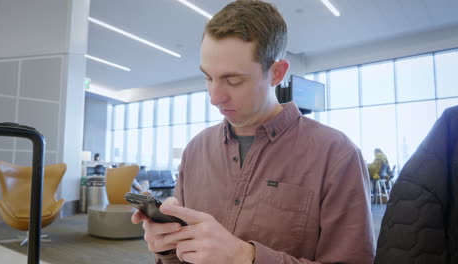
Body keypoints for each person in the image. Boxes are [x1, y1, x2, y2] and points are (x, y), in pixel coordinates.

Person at [132, 1, 375, 263]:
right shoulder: (196, 150)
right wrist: (168, 248)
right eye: (208, 77)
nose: (214, 97)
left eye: (233, 80)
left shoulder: (336, 155)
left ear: (277, 73)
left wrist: (245, 256)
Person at [375, 104, 458, 264]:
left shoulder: (453, 124)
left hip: (377, 178)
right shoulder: (454, 123)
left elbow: (374, 169)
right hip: (386, 177)